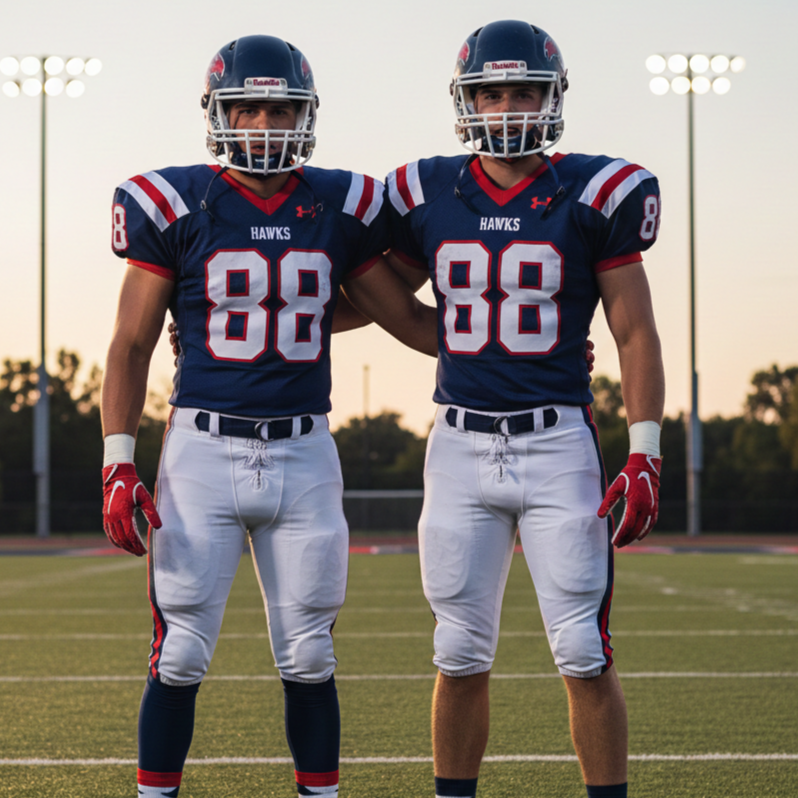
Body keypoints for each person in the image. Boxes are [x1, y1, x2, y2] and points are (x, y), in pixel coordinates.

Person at [100, 34, 435, 798]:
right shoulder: (176, 202)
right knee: (180, 651)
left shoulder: (338, 204)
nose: (262, 123)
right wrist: (118, 461)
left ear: (304, 116)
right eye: (246, 108)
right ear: (217, 114)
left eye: (278, 109)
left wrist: (509, 346)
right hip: (202, 449)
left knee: (310, 653)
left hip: (303, 452)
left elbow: (403, 318)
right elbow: (130, 343)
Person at [382, 20, 665, 798]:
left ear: (553, 98)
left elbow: (635, 330)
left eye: (525, 92)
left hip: (556, 442)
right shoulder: (429, 192)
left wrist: (645, 449)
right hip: (458, 444)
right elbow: (376, 296)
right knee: (458, 651)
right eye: (493, 93)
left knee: (584, 651)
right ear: (466, 101)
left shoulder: (594, 192)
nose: (508, 107)